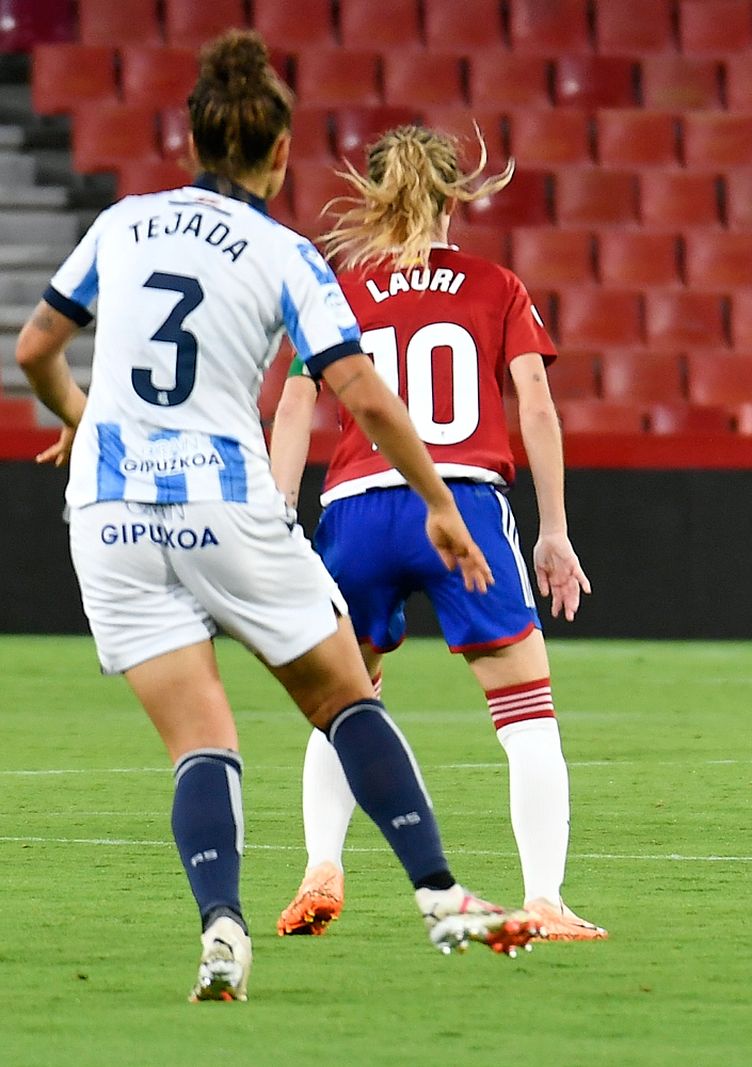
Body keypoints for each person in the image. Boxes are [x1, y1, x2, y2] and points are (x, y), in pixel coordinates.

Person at [14, 31, 542, 1003]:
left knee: (200, 741)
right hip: (222, 501)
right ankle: (440, 896)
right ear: (283, 150)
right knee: (343, 699)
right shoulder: (285, 253)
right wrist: (438, 499)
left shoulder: (124, 225)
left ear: (190, 142)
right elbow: (364, 394)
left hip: (111, 512)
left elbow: (36, 349)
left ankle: (222, 929)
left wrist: (84, 420)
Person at [268, 125, 604, 941]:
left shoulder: (337, 291)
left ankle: (321, 865)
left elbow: (297, 400)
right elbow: (536, 406)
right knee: (527, 714)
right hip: (461, 506)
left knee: (344, 698)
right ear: (456, 195)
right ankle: (545, 898)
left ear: (375, 195)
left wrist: (279, 514)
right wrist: (554, 529)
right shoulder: (496, 285)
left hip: (356, 510)